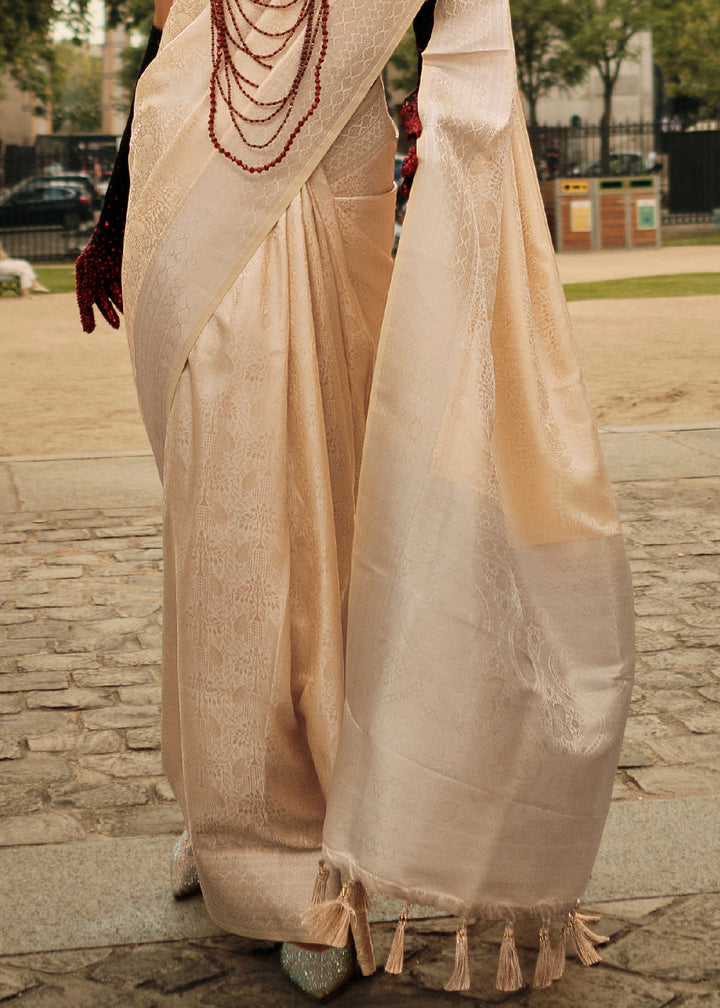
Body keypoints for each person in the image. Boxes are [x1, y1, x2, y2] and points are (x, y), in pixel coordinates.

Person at [76, 0, 634, 999]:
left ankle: (315, 853)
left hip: (330, 179)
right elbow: (177, 31)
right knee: (224, 509)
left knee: (319, 492)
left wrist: (451, 130)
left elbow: (459, 34)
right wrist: (116, 219)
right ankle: (235, 816)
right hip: (183, 180)